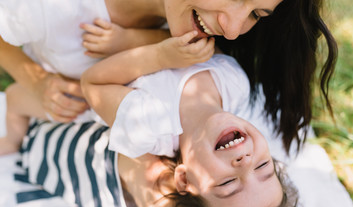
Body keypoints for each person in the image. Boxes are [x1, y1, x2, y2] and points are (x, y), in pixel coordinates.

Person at [80, 35, 305, 207]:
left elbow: (92, 84)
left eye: (228, 183)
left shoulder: (145, 125)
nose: (245, 161)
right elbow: (197, 40)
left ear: (184, 179)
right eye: (263, 166)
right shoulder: (236, 86)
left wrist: (153, 53)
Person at [0, 28, 214, 155]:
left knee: (17, 98)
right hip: (80, 82)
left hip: (86, 99)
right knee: (18, 98)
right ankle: (12, 140)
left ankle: (12, 140)